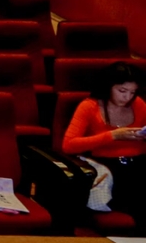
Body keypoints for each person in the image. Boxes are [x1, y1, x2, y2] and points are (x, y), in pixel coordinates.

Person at [62, 63, 146, 223]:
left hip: (138, 164)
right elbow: (69, 144)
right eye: (122, 91)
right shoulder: (89, 107)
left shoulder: (139, 104)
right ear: (108, 87)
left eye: (132, 92)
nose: (127, 97)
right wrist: (112, 136)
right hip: (108, 166)